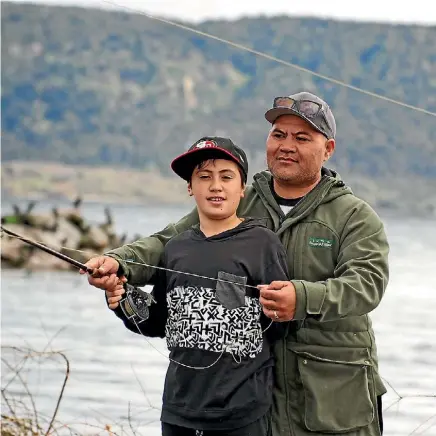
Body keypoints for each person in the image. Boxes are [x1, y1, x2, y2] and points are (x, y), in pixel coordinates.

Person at [83, 92, 389, 436]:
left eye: (302, 138)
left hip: (332, 395)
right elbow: (170, 243)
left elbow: (367, 285)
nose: (286, 145)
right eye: (278, 135)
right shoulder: (241, 198)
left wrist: (301, 298)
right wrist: (118, 263)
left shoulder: (355, 216)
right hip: (253, 395)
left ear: (328, 148)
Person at [101, 137, 290, 436]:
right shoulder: (176, 248)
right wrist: (123, 300)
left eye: (226, 177)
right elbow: (158, 322)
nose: (215, 186)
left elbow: (280, 327)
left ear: (243, 189)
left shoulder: (262, 244)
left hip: (241, 414)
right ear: (190, 187)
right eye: (204, 177)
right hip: (179, 412)